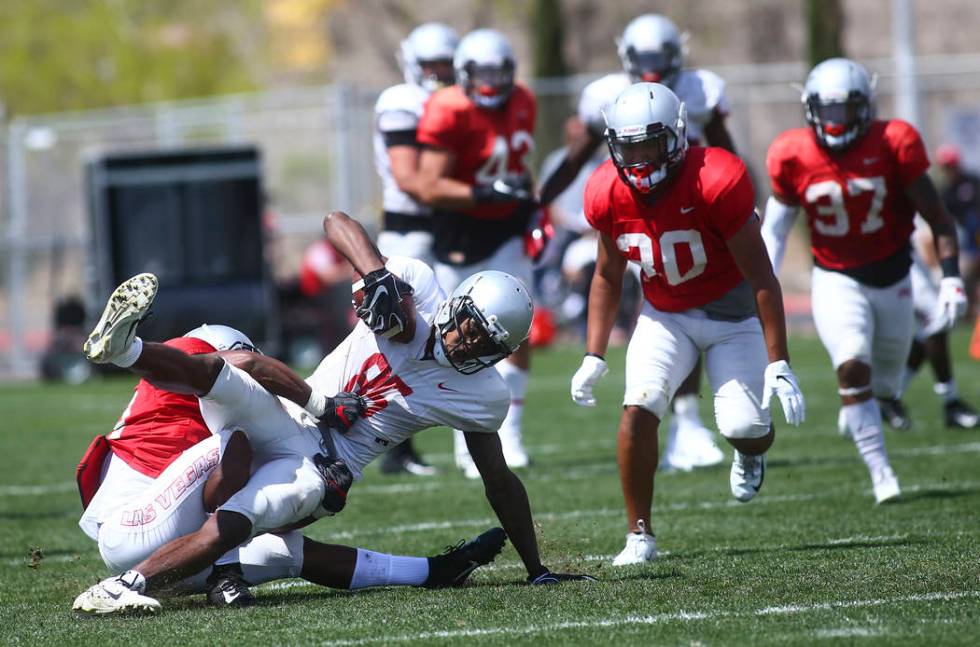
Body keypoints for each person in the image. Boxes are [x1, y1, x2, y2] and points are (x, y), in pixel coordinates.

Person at [73, 210, 594, 615]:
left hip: (324, 463)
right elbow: (336, 223)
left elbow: (498, 478)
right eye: (469, 326)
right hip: (293, 411)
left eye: (486, 343)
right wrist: (377, 275)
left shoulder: (483, 394)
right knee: (232, 370)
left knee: (255, 517)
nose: (467, 344)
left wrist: (536, 567)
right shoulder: (416, 287)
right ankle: (126, 351)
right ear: (456, 305)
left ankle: (131, 583)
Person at [73, 321, 501, 611]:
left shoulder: (189, 378)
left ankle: (433, 571)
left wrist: (314, 506)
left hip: (159, 524)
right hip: (132, 524)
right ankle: (128, 586)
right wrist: (319, 405)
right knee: (231, 447)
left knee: (287, 550)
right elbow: (233, 370)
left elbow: (251, 503)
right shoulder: (190, 356)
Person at [569, 82, 804, 566]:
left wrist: (779, 361)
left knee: (745, 426)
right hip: (665, 313)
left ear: (676, 138)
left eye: (649, 144)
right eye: (628, 146)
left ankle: (750, 451)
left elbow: (762, 277)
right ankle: (639, 535)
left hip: (733, 313)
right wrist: (593, 354)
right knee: (639, 406)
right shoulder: (606, 191)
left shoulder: (715, 178)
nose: (638, 158)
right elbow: (608, 276)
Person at [761, 58, 968, 504]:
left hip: (894, 274)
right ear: (811, 109)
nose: (836, 122)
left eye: (846, 110)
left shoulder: (895, 141)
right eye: (827, 111)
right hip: (836, 276)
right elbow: (774, 231)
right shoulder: (792, 153)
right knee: (852, 362)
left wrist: (950, 279)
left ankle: (862, 405)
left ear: (866, 107)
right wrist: (762, 280)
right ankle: (881, 472)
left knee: (887, 384)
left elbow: (939, 218)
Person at [540, 14, 739, 473]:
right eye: (642, 60)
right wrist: (541, 200)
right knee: (659, 311)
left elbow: (725, 152)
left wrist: (736, 206)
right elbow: (576, 161)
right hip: (633, 212)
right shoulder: (605, 96)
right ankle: (675, 423)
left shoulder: (701, 91)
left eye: (659, 60)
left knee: (688, 306)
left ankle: (687, 424)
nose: (651, 70)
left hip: (688, 213)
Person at [415, 28, 537, 478]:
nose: (491, 81)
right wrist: (485, 192)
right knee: (459, 338)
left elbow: (521, 170)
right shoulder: (447, 108)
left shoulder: (523, 100)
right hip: (461, 235)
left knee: (519, 326)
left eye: (498, 71)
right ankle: (466, 444)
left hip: (507, 228)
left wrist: (531, 208)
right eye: (481, 72)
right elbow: (430, 184)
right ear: (463, 74)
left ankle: (516, 432)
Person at [370, 22, 460, 476]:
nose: (439, 73)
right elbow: (410, 178)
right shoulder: (402, 102)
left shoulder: (454, 101)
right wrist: (475, 194)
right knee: (403, 339)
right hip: (410, 233)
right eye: (432, 65)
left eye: (447, 64)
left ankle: (406, 448)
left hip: (444, 231)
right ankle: (394, 449)